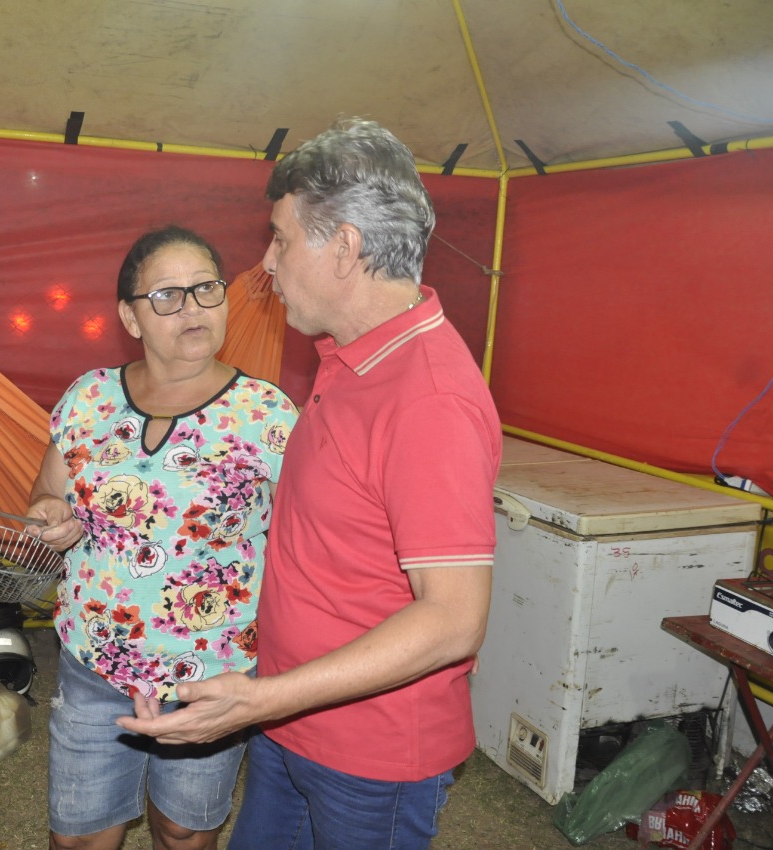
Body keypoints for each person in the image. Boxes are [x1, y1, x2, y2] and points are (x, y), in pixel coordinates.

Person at [116, 118, 503, 850]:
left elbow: (453, 620)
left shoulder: (428, 399)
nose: (265, 262)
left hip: (369, 757)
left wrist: (259, 700)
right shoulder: (350, 356)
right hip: (294, 725)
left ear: (346, 248)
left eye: (282, 239)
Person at [25, 225, 300, 850]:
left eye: (206, 290)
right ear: (129, 316)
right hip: (95, 662)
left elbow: (303, 551)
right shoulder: (89, 398)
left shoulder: (268, 416)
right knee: (79, 837)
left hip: (212, 676)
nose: (193, 309)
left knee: (182, 829)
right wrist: (48, 517)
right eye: (168, 296)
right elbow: (46, 495)